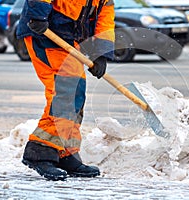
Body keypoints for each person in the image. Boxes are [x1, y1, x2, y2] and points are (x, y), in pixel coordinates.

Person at [16, 0, 115, 181]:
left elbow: (105, 17)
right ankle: (41, 149)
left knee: (76, 91)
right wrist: (37, 14)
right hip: (45, 33)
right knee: (66, 88)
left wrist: (101, 53)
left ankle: (66, 152)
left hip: (69, 38)